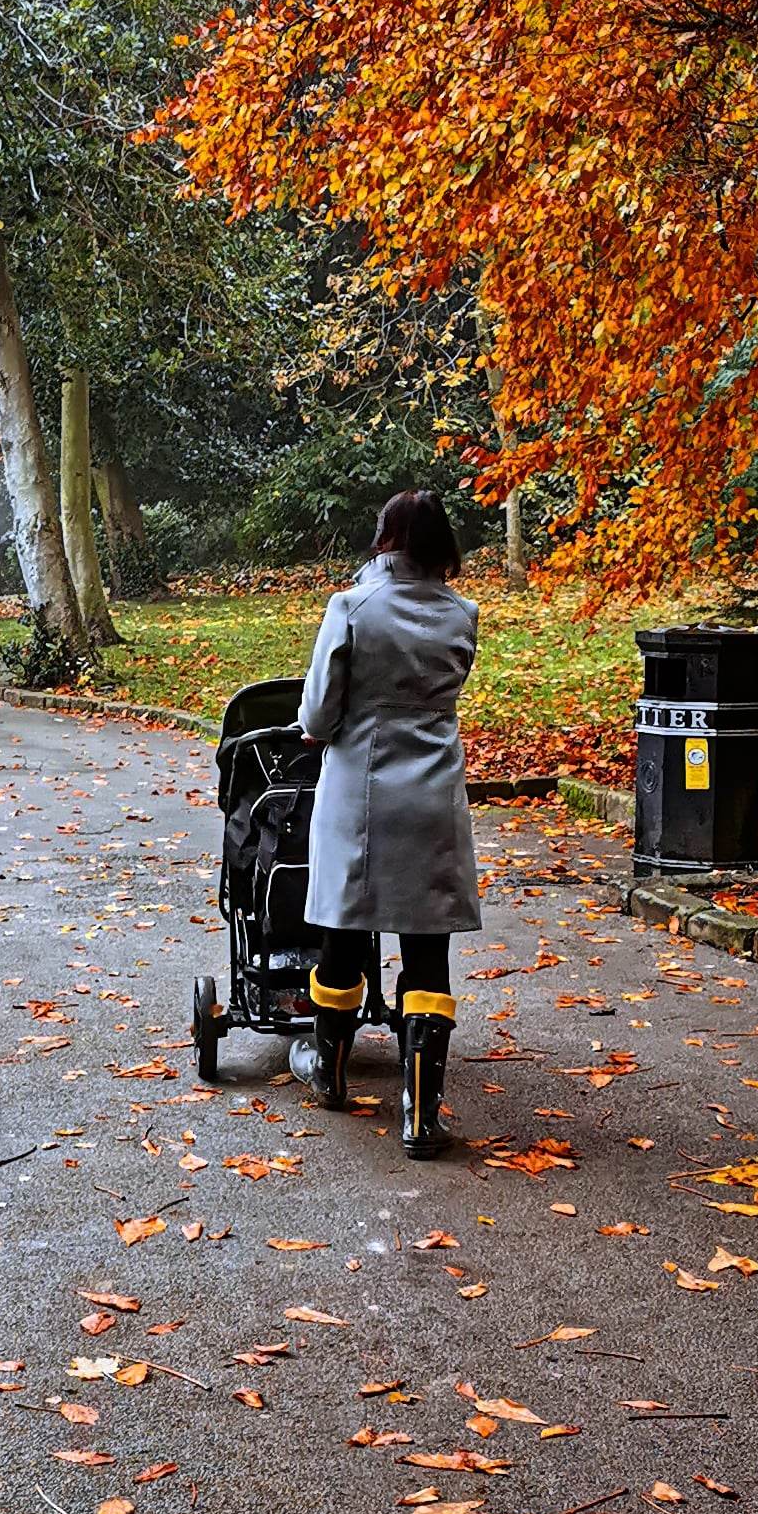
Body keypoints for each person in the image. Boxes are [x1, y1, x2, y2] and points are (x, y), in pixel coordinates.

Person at [291, 489, 482, 1160]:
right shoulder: (465, 615)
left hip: (361, 794)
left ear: (384, 538)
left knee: (344, 936)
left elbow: (316, 718)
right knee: (427, 950)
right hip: (433, 796)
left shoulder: (351, 609)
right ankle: (420, 1115)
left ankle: (330, 1072)